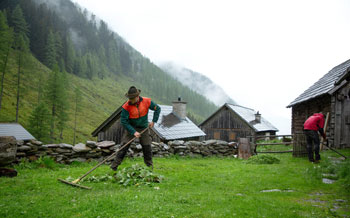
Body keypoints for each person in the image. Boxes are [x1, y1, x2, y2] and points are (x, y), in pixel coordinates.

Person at [110, 86, 161, 171]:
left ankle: (149, 167)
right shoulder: (126, 106)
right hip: (131, 127)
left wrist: (153, 121)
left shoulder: (146, 101)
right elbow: (124, 121)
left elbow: (158, 109)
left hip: (144, 127)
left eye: (132, 98)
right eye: (129, 98)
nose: (130, 100)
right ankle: (114, 166)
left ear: (137, 97)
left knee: (147, 147)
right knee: (124, 146)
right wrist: (133, 132)